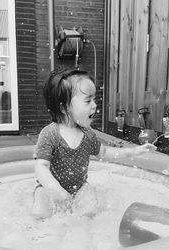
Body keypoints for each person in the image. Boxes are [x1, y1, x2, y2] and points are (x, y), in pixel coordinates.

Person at [32, 68, 156, 219]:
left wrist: (134, 151)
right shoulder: (50, 134)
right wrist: (54, 189)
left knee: (90, 204)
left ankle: (85, 229)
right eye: (88, 100)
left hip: (79, 188)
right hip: (49, 188)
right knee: (40, 208)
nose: (94, 105)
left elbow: (104, 153)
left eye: (94, 99)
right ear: (64, 108)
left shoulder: (88, 134)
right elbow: (41, 166)